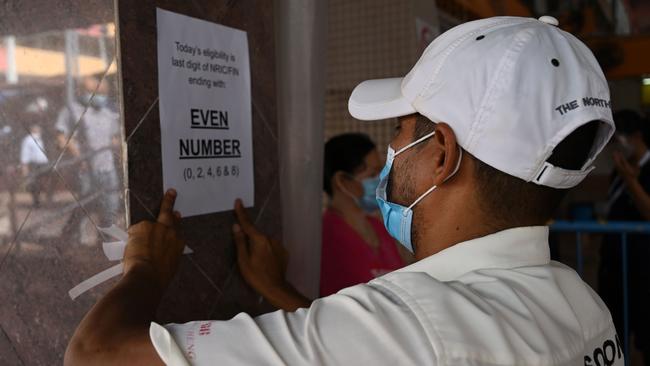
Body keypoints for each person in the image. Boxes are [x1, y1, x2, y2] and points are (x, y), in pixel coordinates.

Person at [66, 16, 623, 365]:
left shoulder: (410, 323)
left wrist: (146, 269)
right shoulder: (584, 306)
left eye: (400, 130)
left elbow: (96, 356)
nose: (392, 150)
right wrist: (282, 291)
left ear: (443, 155)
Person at [321, 133, 406, 296]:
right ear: (343, 181)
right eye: (373, 174)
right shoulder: (327, 237)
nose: (382, 181)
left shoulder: (379, 229)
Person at [599, 109, 650, 364]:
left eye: (621, 139)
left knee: (644, 327)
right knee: (615, 324)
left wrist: (631, 180)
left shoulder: (642, 170)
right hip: (615, 263)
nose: (619, 146)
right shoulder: (618, 171)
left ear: (637, 136)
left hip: (643, 265)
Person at [56, 75, 121, 225]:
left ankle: (104, 241)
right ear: (81, 91)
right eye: (93, 92)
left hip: (108, 168)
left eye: (102, 93)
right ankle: (69, 235)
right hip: (86, 169)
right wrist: (79, 158)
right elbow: (61, 137)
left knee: (110, 207)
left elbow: (114, 137)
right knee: (86, 206)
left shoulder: (108, 112)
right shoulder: (72, 109)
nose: (99, 96)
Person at [20, 124, 49, 206]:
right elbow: (24, 155)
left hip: (43, 164)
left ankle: (41, 200)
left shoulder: (40, 139)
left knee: (40, 183)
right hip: (35, 164)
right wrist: (25, 168)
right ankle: (36, 202)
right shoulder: (28, 140)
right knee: (35, 183)